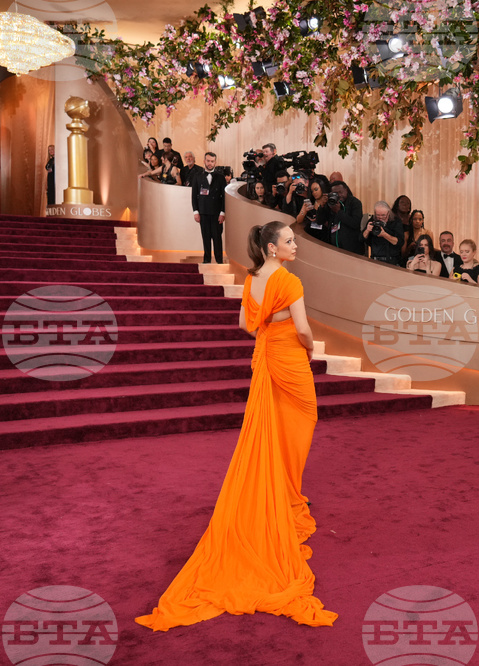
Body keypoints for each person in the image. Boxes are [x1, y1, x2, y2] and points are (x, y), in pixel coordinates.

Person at [136, 221, 337, 632]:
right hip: (292, 360)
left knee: (273, 427)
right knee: (303, 421)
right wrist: (311, 346)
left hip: (267, 356)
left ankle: (284, 494)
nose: (294, 246)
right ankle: (288, 496)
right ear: (271, 247)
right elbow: (302, 328)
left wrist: (271, 325)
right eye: (289, 241)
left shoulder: (252, 280)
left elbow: (246, 326)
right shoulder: (288, 280)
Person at [192, 152, 228, 264]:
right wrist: (195, 211)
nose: (210, 163)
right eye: (208, 161)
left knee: (217, 238)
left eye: (212, 161)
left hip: (217, 213)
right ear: (204, 161)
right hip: (203, 212)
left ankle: (219, 261)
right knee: (206, 237)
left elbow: (224, 197)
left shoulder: (221, 177)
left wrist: (223, 212)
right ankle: (206, 260)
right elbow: (194, 195)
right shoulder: (197, 176)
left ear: (215, 162)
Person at [297, 176, 335, 243]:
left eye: (316, 189)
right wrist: (304, 211)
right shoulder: (309, 202)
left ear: (322, 188)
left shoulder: (328, 202)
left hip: (324, 235)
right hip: (309, 233)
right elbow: (299, 220)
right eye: (312, 191)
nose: (314, 192)